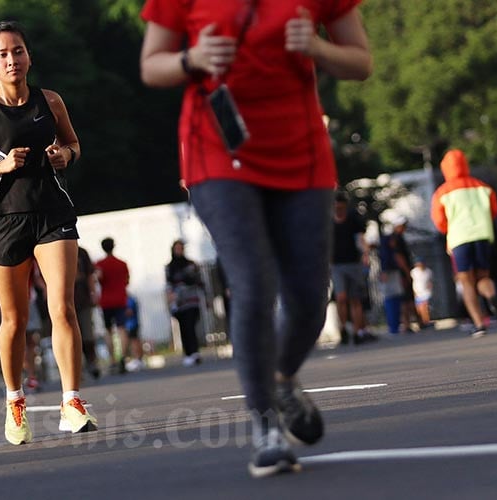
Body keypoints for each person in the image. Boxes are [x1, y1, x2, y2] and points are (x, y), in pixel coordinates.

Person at [140, 0, 372, 477]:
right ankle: (266, 427)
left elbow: (361, 61)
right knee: (253, 282)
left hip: (300, 150)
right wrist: (191, 59)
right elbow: (151, 65)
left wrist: (316, 47)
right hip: (218, 151)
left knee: (310, 295)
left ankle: (282, 377)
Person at [0, 21, 97, 445]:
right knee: (13, 319)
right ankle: (15, 402)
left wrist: (63, 155)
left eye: (18, 51)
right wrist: (1, 165)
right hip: (5, 219)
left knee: (63, 308)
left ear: (29, 56)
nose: (12, 60)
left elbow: (74, 145)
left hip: (53, 213)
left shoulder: (50, 101)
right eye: (3, 54)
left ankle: (72, 402)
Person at [431, 149, 497, 337]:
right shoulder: (482, 186)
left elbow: (439, 221)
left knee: (466, 282)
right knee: (483, 276)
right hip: (483, 235)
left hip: (459, 238)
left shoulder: (442, 192)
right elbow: (494, 211)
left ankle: (479, 324)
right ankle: (491, 296)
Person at [331, 190, 376, 344]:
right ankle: (344, 328)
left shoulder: (352, 219)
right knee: (341, 298)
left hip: (353, 262)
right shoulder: (328, 221)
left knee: (355, 299)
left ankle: (358, 331)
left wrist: (365, 254)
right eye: (337, 208)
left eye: (341, 208)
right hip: (336, 264)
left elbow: (361, 238)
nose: (339, 211)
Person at [165, 240, 204, 366]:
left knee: (191, 326)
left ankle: (194, 352)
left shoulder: (191, 265)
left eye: (181, 248)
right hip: (179, 302)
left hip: (191, 300)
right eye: (177, 249)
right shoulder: (170, 267)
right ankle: (188, 353)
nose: (179, 251)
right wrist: (170, 297)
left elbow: (198, 281)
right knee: (183, 328)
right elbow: (168, 284)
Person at [95, 237, 131, 374]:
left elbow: (99, 279)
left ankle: (112, 360)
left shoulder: (99, 264)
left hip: (106, 301)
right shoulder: (122, 264)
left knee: (109, 331)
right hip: (121, 299)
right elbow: (127, 281)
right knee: (122, 329)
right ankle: (123, 357)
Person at [75, 246, 101, 379]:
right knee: (72, 336)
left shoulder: (82, 252)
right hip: (66, 300)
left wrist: (93, 292)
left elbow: (90, 274)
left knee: (87, 333)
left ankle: (91, 362)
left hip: (83, 298)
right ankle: (76, 369)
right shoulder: (53, 250)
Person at [123, 293, 145, 372]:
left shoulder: (128, 300)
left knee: (134, 341)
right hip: (131, 323)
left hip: (131, 324)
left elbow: (129, 311)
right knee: (135, 341)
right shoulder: (130, 298)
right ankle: (138, 359)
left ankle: (138, 359)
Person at [410, 259, 434, 328]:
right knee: (419, 308)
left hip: (425, 292)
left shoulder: (428, 271)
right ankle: (421, 322)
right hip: (417, 292)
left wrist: (430, 290)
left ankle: (426, 321)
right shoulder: (414, 272)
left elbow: (430, 281)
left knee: (425, 307)